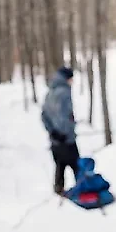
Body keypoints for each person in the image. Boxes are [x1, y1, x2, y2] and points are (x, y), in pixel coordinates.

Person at [40, 66, 79, 195]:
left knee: (60, 164)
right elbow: (66, 116)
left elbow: (44, 115)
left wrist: (52, 131)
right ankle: (82, 188)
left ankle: (58, 189)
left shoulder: (50, 92)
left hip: (55, 138)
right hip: (65, 137)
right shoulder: (64, 93)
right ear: (66, 79)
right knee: (76, 164)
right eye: (71, 79)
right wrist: (66, 132)